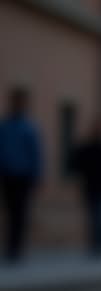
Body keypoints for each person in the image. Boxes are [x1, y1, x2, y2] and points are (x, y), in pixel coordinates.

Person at [0, 89, 43, 263]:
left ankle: (17, 249)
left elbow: (36, 153)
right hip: (7, 175)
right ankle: (10, 247)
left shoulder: (29, 128)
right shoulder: (5, 126)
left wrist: (36, 174)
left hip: (23, 176)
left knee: (20, 213)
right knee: (10, 212)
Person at [70, 120, 101, 258]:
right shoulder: (88, 148)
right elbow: (76, 163)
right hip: (92, 187)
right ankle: (96, 245)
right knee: (95, 217)